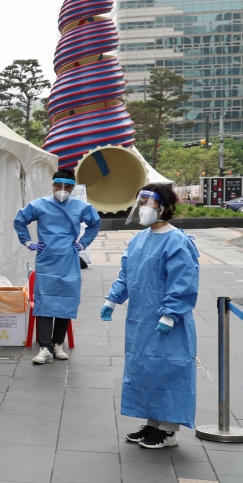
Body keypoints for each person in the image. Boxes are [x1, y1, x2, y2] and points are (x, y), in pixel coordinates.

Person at [100, 183, 200, 449]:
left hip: (168, 322)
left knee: (168, 370)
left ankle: (168, 431)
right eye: (140, 202)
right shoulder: (139, 239)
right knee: (145, 371)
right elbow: (127, 274)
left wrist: (170, 314)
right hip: (140, 320)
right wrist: (113, 298)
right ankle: (153, 424)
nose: (142, 207)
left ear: (164, 207)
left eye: (148, 202)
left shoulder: (177, 240)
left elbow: (184, 282)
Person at [13, 168, 101, 364]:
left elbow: (95, 223)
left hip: (69, 259)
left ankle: (58, 344)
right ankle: (45, 347)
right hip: (46, 259)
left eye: (67, 187)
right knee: (45, 301)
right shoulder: (39, 205)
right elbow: (20, 220)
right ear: (52, 185)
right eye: (59, 186)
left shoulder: (81, 207)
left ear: (73, 188)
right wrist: (29, 243)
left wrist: (83, 243)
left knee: (66, 300)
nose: (62, 190)